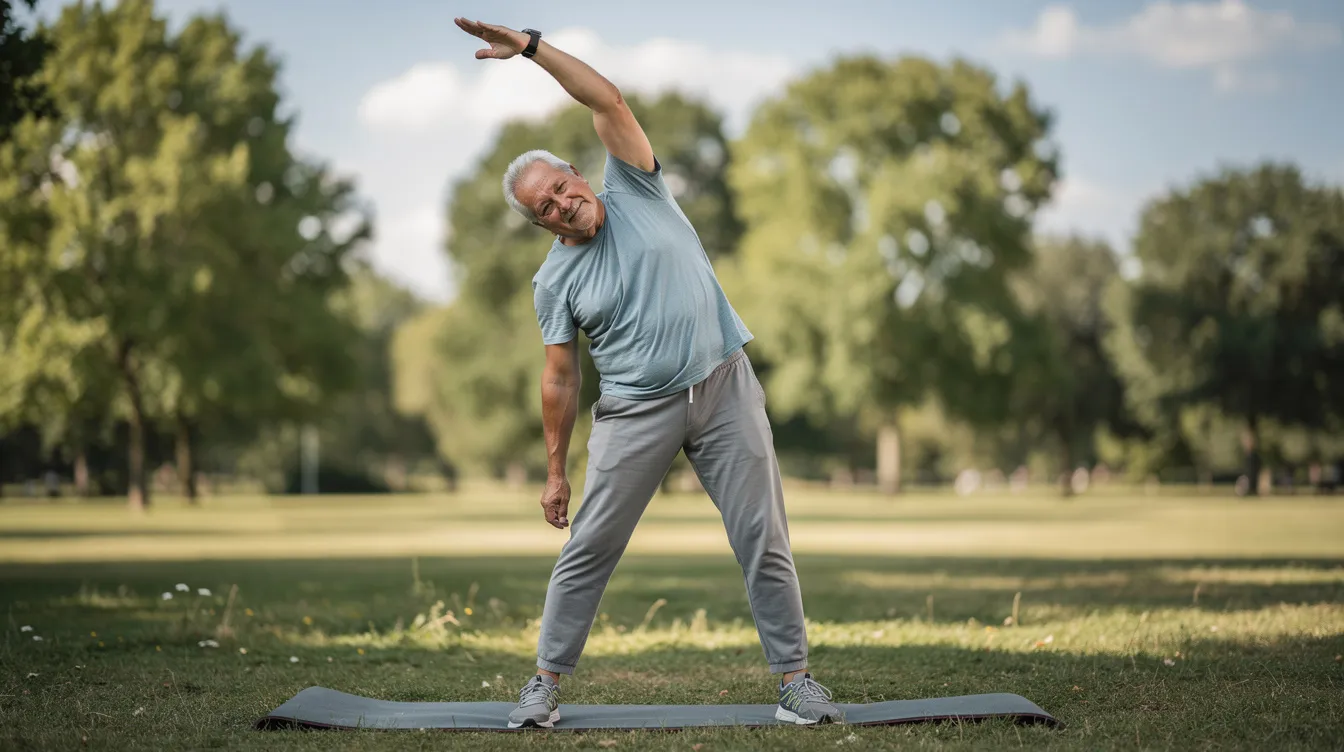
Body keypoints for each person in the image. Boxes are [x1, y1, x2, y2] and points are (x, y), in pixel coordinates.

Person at [453, 18, 844, 729]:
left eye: (561, 188)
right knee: (590, 549)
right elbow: (561, 380)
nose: (562, 204)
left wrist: (533, 49)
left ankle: (795, 683)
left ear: (576, 174)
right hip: (636, 414)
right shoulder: (553, 282)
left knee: (764, 539)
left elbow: (608, 102)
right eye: (545, 209)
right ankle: (543, 687)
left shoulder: (636, 187)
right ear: (541, 225)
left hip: (725, 386)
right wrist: (553, 469)